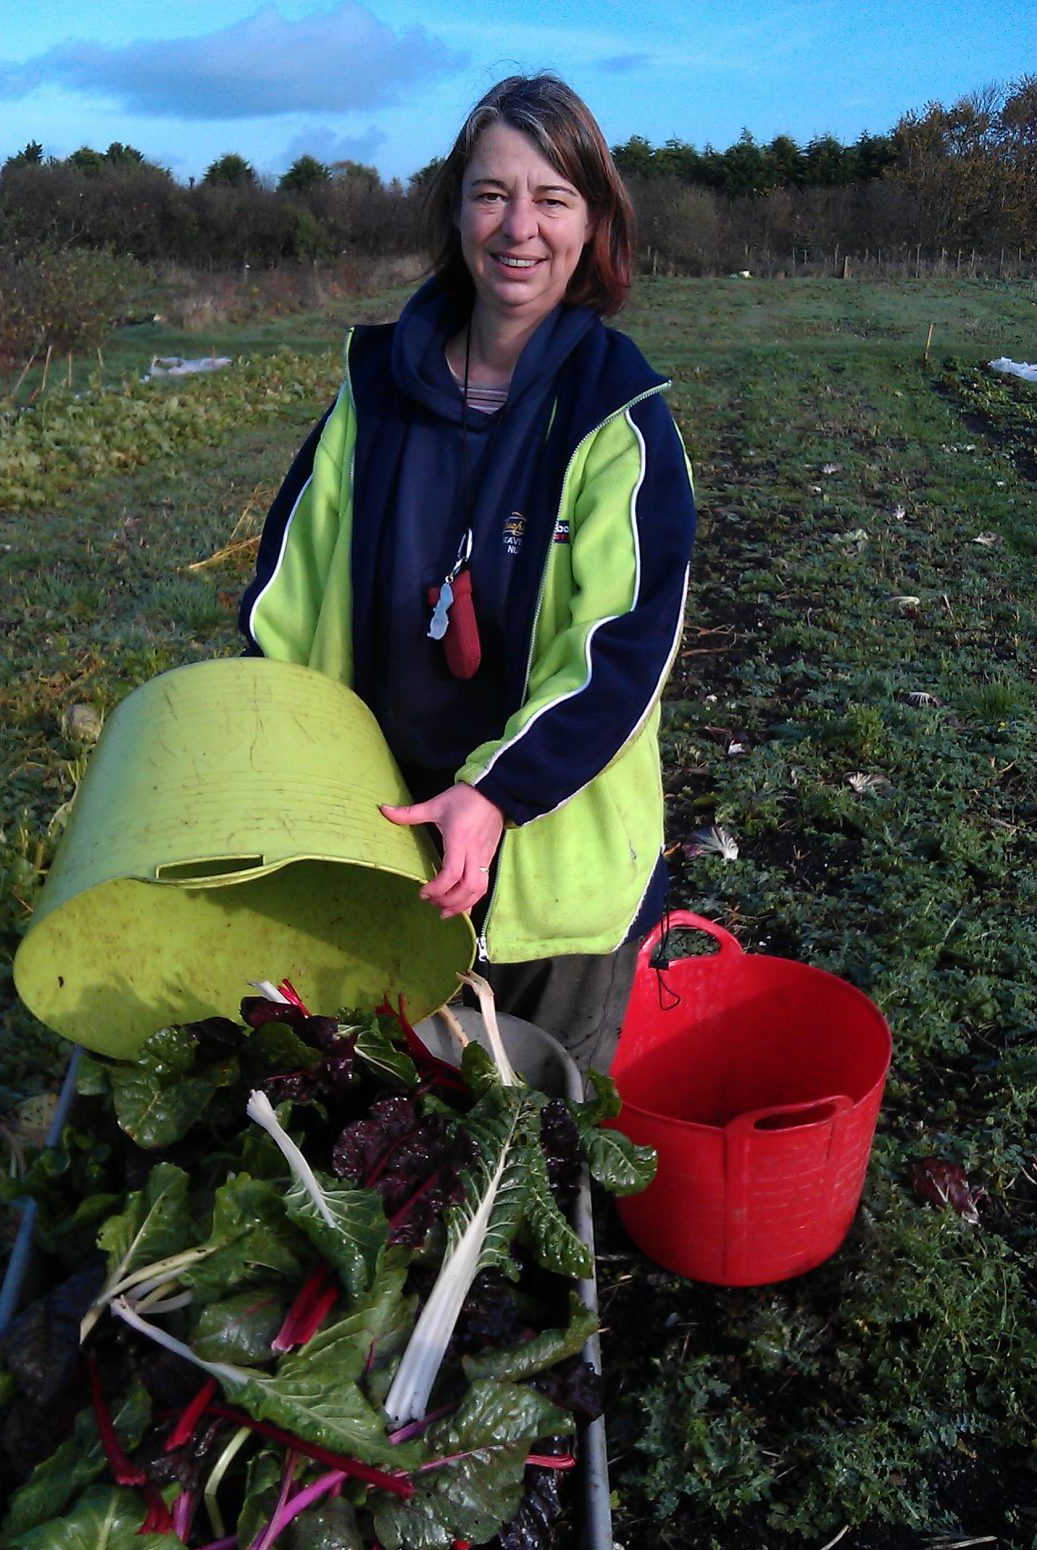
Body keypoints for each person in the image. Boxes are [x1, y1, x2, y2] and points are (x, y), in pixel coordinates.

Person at [240, 74, 695, 1074]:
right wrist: (269, 784)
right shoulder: (374, 395)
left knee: (534, 1140)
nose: (516, 226)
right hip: (382, 842)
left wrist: (493, 796)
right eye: (490, 193)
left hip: (551, 874)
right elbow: (285, 601)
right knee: (384, 1118)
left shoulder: (619, 420)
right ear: (454, 211)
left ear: (592, 225)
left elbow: (619, 653)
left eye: (551, 198)